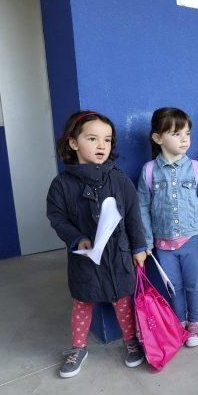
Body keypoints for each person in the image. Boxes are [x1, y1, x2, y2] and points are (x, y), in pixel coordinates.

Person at [46, 111, 147, 378]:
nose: (102, 145)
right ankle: (78, 347)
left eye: (107, 139)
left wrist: (139, 247)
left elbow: (134, 217)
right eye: (92, 138)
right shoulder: (61, 185)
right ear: (73, 143)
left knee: (122, 301)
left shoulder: (120, 180)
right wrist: (77, 238)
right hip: (85, 258)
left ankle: (131, 341)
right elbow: (57, 218)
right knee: (82, 301)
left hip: (118, 256)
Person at [137, 107, 198, 347]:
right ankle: (179, 321)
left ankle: (194, 323)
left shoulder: (195, 168)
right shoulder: (149, 171)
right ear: (158, 138)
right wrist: (147, 242)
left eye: (187, 134)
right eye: (176, 134)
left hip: (192, 238)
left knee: (193, 283)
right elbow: (142, 208)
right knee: (174, 286)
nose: (184, 139)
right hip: (163, 243)